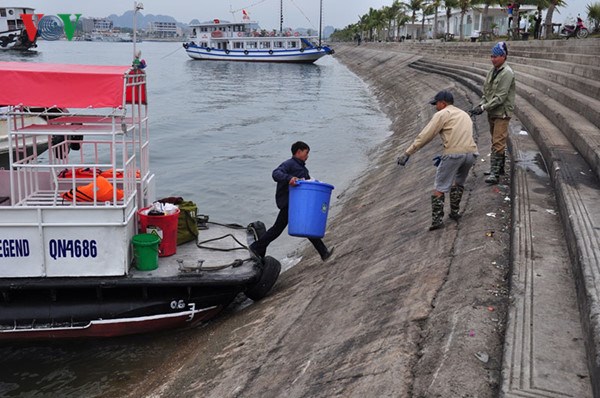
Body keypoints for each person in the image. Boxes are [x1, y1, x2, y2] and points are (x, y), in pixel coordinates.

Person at [397, 90, 479, 231]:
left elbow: (426, 136)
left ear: (443, 103)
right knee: (458, 183)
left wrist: (408, 153)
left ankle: (437, 221)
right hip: (471, 153)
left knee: (439, 188)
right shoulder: (464, 114)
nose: (435, 107)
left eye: (437, 104)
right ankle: (454, 213)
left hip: (453, 154)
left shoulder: (442, 114)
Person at [249, 141, 334, 261]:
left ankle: (324, 253)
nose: (307, 156)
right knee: (277, 229)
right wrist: (289, 179)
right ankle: (255, 248)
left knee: (305, 227)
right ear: (298, 152)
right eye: (306, 153)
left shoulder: (302, 168)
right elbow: (275, 174)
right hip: (289, 203)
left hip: (298, 204)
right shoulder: (289, 164)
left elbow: (308, 183)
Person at [471, 41, 516, 185]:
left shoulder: (507, 73)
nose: (493, 59)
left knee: (498, 141)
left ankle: (495, 173)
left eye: (496, 56)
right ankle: (499, 168)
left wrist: (483, 108)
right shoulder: (492, 71)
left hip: (502, 112)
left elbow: (500, 97)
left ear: (504, 57)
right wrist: (480, 105)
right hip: (492, 111)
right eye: (491, 56)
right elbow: (487, 92)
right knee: (495, 140)